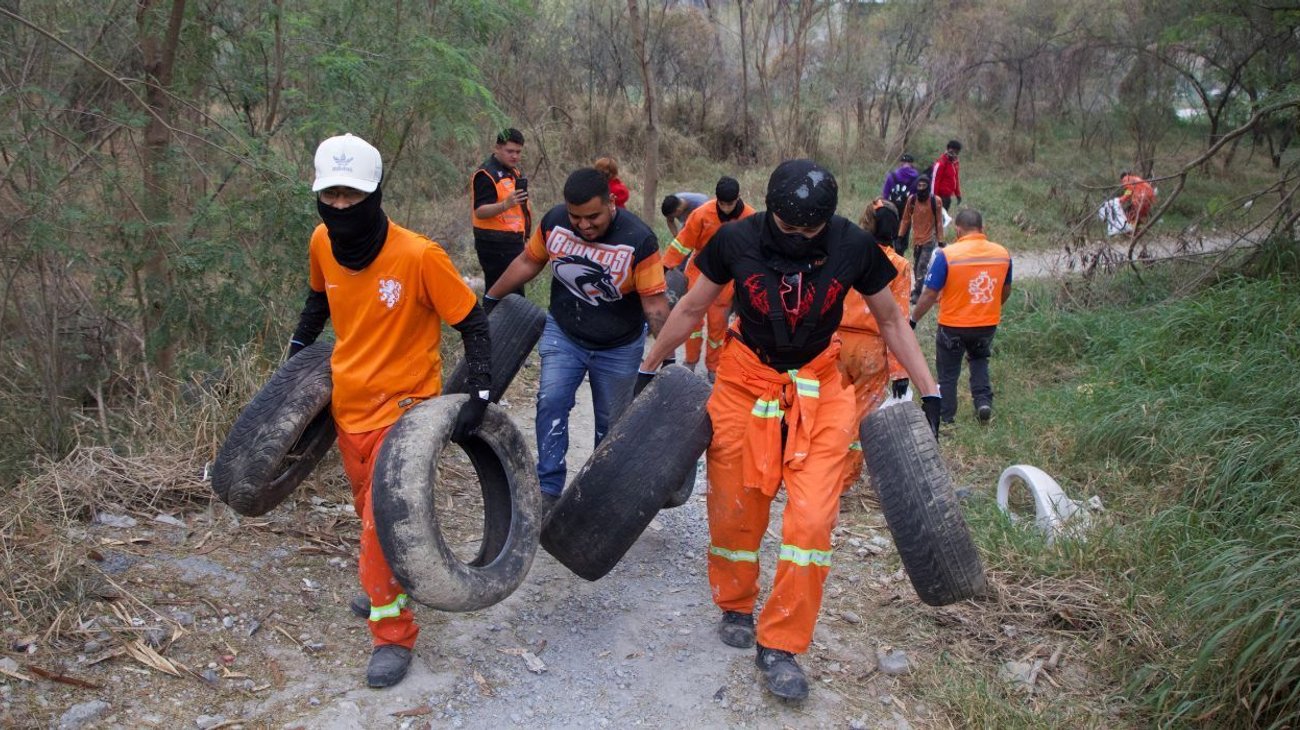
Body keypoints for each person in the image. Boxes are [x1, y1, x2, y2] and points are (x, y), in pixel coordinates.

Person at [637, 160, 941, 702]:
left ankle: (780, 644)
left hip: (820, 389)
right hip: (743, 382)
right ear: (771, 210)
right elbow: (691, 306)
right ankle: (735, 602)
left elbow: (893, 321)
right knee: (736, 507)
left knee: (813, 517)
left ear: (829, 220)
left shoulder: (854, 246)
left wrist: (930, 388)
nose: (799, 238)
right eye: (789, 227)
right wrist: (650, 366)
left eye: (810, 230)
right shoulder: (735, 240)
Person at [287, 134, 493, 688]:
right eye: (331, 195)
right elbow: (316, 302)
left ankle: (392, 635)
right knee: (369, 516)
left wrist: (479, 394)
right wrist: (291, 363)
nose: (341, 207)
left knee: (380, 522)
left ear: (376, 193)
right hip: (348, 407)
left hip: (408, 411)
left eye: (353, 196)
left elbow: (472, 321)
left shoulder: (419, 256)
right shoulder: (321, 244)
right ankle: (387, 580)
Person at [485, 168, 670, 504]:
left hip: (619, 344)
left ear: (611, 203)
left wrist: (667, 359)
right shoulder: (554, 223)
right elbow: (529, 261)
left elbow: (655, 306)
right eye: (576, 217)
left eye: (593, 217)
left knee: (611, 423)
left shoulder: (638, 239)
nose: (584, 225)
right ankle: (548, 487)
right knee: (551, 401)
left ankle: (599, 493)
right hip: (565, 332)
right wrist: (491, 298)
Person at [837, 200, 914, 491]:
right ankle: (841, 482)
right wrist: (900, 371)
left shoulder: (847, 252)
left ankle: (814, 471)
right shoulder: (899, 266)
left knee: (828, 409)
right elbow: (897, 321)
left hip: (835, 343)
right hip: (871, 350)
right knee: (857, 418)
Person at [909, 208, 1012, 425]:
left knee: (948, 373)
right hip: (986, 323)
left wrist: (914, 319)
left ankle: (946, 417)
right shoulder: (1002, 253)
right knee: (979, 360)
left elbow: (929, 294)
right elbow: (1005, 289)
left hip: (952, 325)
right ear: (982, 228)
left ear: (957, 230)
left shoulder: (947, 255)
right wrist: (990, 307)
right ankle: (983, 402)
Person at [660, 176, 755, 380]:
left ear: (738, 198)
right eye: (722, 204)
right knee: (692, 323)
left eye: (730, 204)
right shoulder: (702, 214)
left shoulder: (750, 217)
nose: (727, 208)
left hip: (727, 277)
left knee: (717, 326)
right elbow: (682, 243)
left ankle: (713, 366)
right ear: (717, 199)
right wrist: (665, 266)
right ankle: (690, 361)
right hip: (699, 271)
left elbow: (756, 249)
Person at [471, 128, 531, 296]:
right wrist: (505, 204)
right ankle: (492, 322)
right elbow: (480, 211)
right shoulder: (486, 174)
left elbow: (520, 209)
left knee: (515, 294)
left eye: (518, 152)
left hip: (513, 242)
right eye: (510, 151)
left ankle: (511, 322)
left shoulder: (513, 172)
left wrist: (525, 236)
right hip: (494, 245)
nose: (515, 156)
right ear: (497, 148)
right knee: (500, 294)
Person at [898, 174, 945, 304]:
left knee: (921, 266)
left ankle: (918, 293)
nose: (921, 188)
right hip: (916, 239)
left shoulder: (936, 201)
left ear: (928, 187)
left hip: (930, 239)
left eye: (924, 186)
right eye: (919, 186)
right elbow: (906, 219)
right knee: (916, 266)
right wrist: (900, 236)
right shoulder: (912, 200)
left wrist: (941, 240)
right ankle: (919, 289)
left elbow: (939, 221)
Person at [882, 153, 919, 253]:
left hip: (891, 210)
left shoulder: (891, 176)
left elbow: (885, 195)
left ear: (900, 163)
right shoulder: (917, 178)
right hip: (907, 212)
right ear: (912, 164)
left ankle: (890, 257)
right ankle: (900, 259)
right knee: (903, 237)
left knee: (890, 236)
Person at [931, 139, 962, 210]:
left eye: (957, 153)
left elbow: (956, 178)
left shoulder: (955, 163)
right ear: (948, 150)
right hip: (939, 196)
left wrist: (958, 194)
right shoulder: (941, 163)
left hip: (948, 196)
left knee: (944, 219)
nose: (954, 154)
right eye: (953, 152)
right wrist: (933, 197)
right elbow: (935, 180)